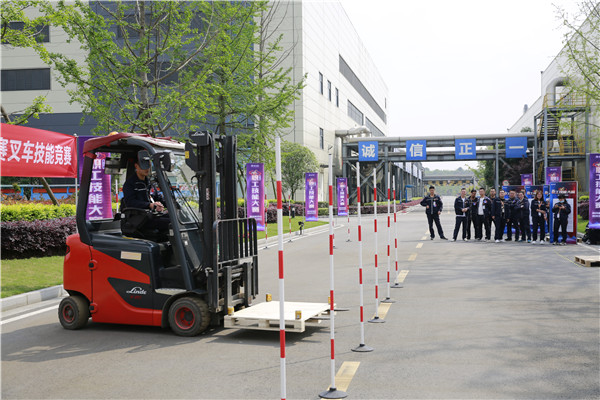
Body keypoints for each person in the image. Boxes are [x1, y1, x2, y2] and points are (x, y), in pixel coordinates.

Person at [121, 151, 170, 240]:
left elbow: (157, 197)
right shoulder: (130, 184)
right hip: (139, 219)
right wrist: (149, 205)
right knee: (170, 222)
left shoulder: (149, 182)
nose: (147, 168)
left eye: (148, 165)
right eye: (143, 165)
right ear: (136, 166)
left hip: (150, 215)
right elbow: (130, 202)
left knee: (176, 218)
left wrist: (169, 204)